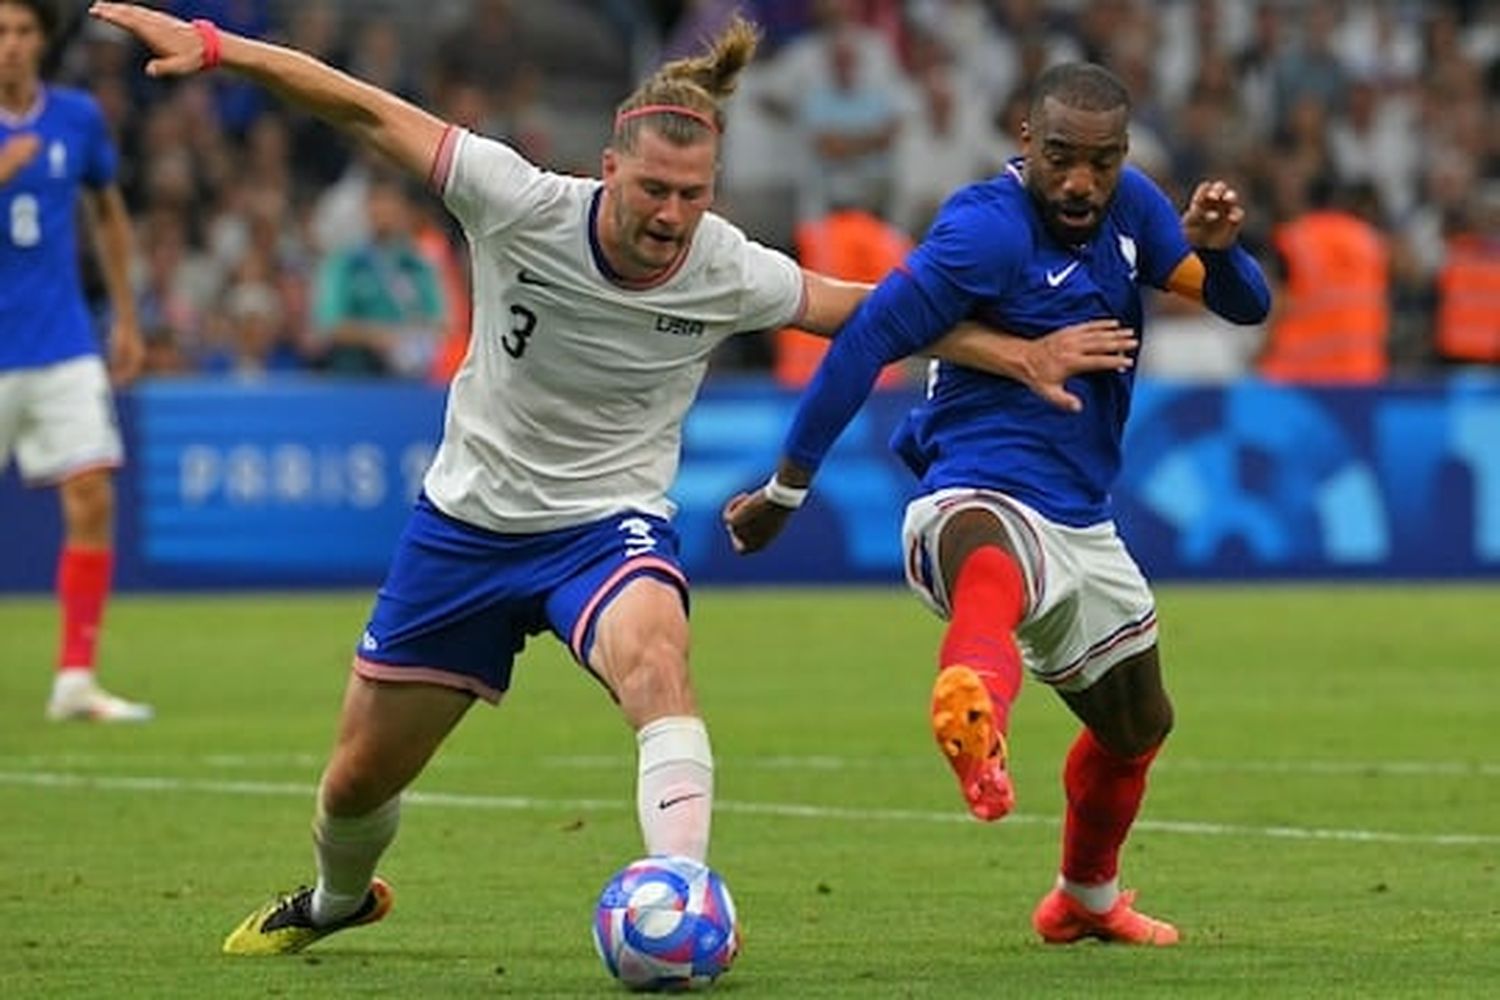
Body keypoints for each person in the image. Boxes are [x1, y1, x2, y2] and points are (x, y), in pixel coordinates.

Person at [91, 2, 1138, 957]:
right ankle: (335, 898)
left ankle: (680, 896)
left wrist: (1018, 350)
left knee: (657, 663)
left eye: (691, 195)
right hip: (467, 526)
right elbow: (365, 110)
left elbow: (871, 310)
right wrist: (224, 49)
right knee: (356, 781)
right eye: (653, 190)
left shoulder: (728, 265)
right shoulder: (517, 200)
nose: (671, 216)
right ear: (609, 170)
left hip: (607, 529)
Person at [725, 62, 1270, 946]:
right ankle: (974, 702)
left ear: (1123, 155)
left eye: (1101, 160)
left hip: (1083, 516)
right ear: (1026, 141)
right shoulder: (983, 230)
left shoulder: (1130, 206)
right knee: (992, 558)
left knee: (1139, 727)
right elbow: (868, 338)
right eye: (1061, 157)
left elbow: (1244, 307)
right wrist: (788, 487)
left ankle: (1085, 901)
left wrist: (1220, 250)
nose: (1080, 181)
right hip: (973, 484)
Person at [0, 0, 149, 722]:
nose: (12, 45)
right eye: (0, 33)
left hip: (62, 339)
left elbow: (108, 212)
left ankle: (75, 679)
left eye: (23, 32)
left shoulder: (78, 117)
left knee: (91, 495)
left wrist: (124, 315)